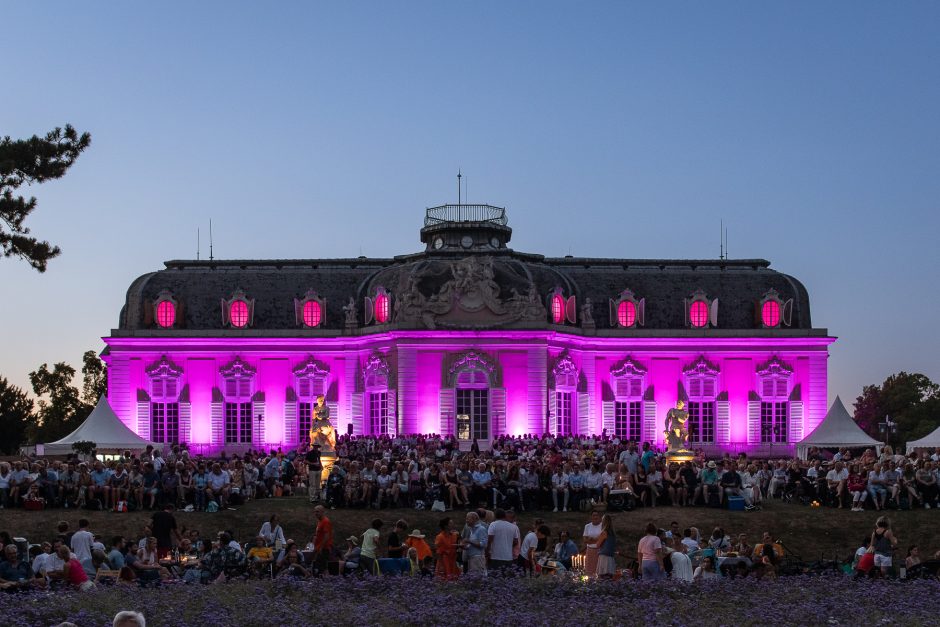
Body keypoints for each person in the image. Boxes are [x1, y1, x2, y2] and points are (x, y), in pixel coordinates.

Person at [486, 508, 519, 575]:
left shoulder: (493, 524)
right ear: (504, 515)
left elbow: (489, 539)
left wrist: (487, 551)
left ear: (495, 516)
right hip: (508, 557)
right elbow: (516, 541)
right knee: (506, 578)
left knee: (494, 578)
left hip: (495, 556)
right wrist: (508, 545)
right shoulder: (513, 527)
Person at [312, 505, 333, 574]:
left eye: (317, 512)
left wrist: (321, 547)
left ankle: (324, 582)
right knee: (319, 566)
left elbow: (327, 536)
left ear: (322, 512)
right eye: (314, 512)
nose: (315, 513)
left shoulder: (325, 521)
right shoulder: (319, 521)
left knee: (322, 567)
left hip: (324, 548)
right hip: (319, 548)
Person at [582, 510, 602, 576]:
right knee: (589, 568)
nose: (595, 517)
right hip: (590, 550)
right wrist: (595, 539)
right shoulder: (587, 526)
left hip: (599, 550)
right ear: (591, 517)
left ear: (599, 517)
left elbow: (602, 539)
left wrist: (591, 539)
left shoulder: (602, 526)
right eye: (594, 515)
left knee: (598, 567)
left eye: (597, 515)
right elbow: (585, 540)